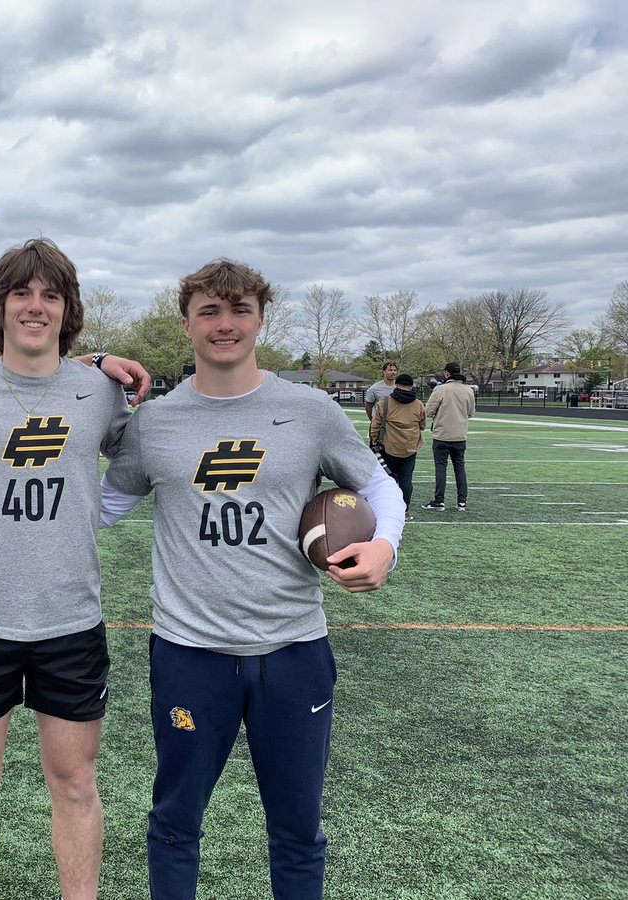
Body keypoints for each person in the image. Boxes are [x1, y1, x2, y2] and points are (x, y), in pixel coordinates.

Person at [99, 257, 405, 900]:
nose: (225, 323)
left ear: (261, 319)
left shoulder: (310, 410)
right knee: (175, 823)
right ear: (186, 324)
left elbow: (376, 481)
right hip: (189, 653)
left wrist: (385, 546)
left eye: (239, 309)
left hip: (293, 650)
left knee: (297, 830)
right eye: (209, 310)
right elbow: (99, 507)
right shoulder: (154, 422)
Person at [0, 238, 136, 900]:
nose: (35, 306)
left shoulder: (101, 391)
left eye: (51, 295)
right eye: (22, 293)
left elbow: (149, 463)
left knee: (73, 784)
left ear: (67, 311)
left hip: (71, 621)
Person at [368, 372, 426, 518]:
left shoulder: (385, 402)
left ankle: (387, 508)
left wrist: (375, 440)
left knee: (387, 480)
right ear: (411, 386)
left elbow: (375, 426)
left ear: (397, 385)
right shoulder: (418, 404)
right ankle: (405, 510)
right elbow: (423, 425)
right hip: (410, 447)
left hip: (388, 446)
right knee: (406, 479)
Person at [421, 361, 476, 512]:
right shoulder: (468, 390)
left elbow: (428, 411)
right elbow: (471, 413)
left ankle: (439, 500)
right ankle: (462, 502)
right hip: (460, 434)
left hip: (442, 435)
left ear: (447, 373)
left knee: (441, 468)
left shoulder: (441, 390)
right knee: (460, 468)